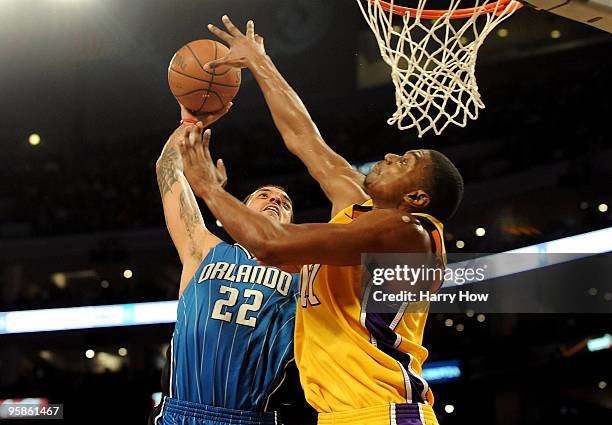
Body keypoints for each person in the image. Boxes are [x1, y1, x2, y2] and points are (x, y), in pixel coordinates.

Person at [178, 16, 464, 425]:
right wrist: (260, 62)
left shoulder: (409, 234)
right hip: (338, 415)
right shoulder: (359, 210)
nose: (389, 156)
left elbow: (272, 244)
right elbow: (303, 138)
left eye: (406, 161)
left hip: (384, 414)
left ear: (416, 197)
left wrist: (210, 189)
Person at [150, 104, 300, 425]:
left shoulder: (303, 272)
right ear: (237, 209)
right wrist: (192, 121)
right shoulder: (202, 247)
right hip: (181, 413)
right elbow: (167, 167)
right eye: (263, 195)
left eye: (284, 203)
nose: (274, 200)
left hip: (253, 417)